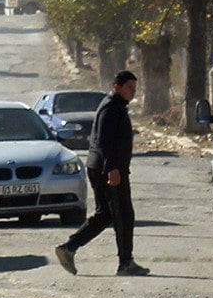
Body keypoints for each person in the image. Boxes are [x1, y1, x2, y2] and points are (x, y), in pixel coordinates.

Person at [51, 70, 149, 277]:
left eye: (134, 87)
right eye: (129, 87)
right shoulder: (111, 108)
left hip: (104, 167)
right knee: (123, 214)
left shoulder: (117, 106)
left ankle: (69, 248)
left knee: (106, 214)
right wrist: (112, 168)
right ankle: (125, 263)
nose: (133, 91)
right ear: (116, 87)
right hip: (108, 169)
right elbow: (104, 141)